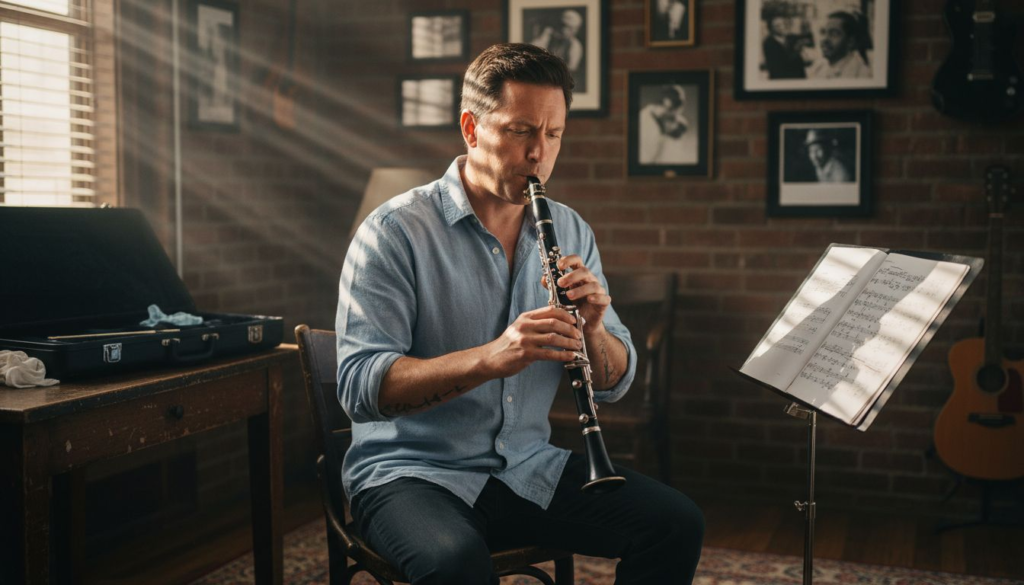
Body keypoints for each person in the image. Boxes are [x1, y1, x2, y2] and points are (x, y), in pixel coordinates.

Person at [336, 43, 704, 584]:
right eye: (520, 131)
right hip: (410, 475)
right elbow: (360, 389)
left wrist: (595, 330)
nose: (539, 155)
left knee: (677, 523)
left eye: (553, 135)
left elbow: (613, 384)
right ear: (470, 127)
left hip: (527, 467)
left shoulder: (571, 229)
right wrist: (492, 357)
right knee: (454, 562)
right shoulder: (393, 233)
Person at [805, 10, 872, 79]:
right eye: (823, 32)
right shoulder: (819, 67)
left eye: (834, 34)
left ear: (850, 42)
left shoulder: (862, 75)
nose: (824, 39)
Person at [638, 85, 691, 165]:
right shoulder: (646, 119)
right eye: (676, 107)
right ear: (666, 103)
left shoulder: (679, 122)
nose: (676, 115)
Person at [761, 10, 806, 79]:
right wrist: (796, 51)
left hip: (799, 77)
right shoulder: (769, 43)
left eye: (784, 23)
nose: (782, 26)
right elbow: (779, 66)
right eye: (777, 25)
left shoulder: (791, 38)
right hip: (781, 79)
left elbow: (807, 39)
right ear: (771, 28)